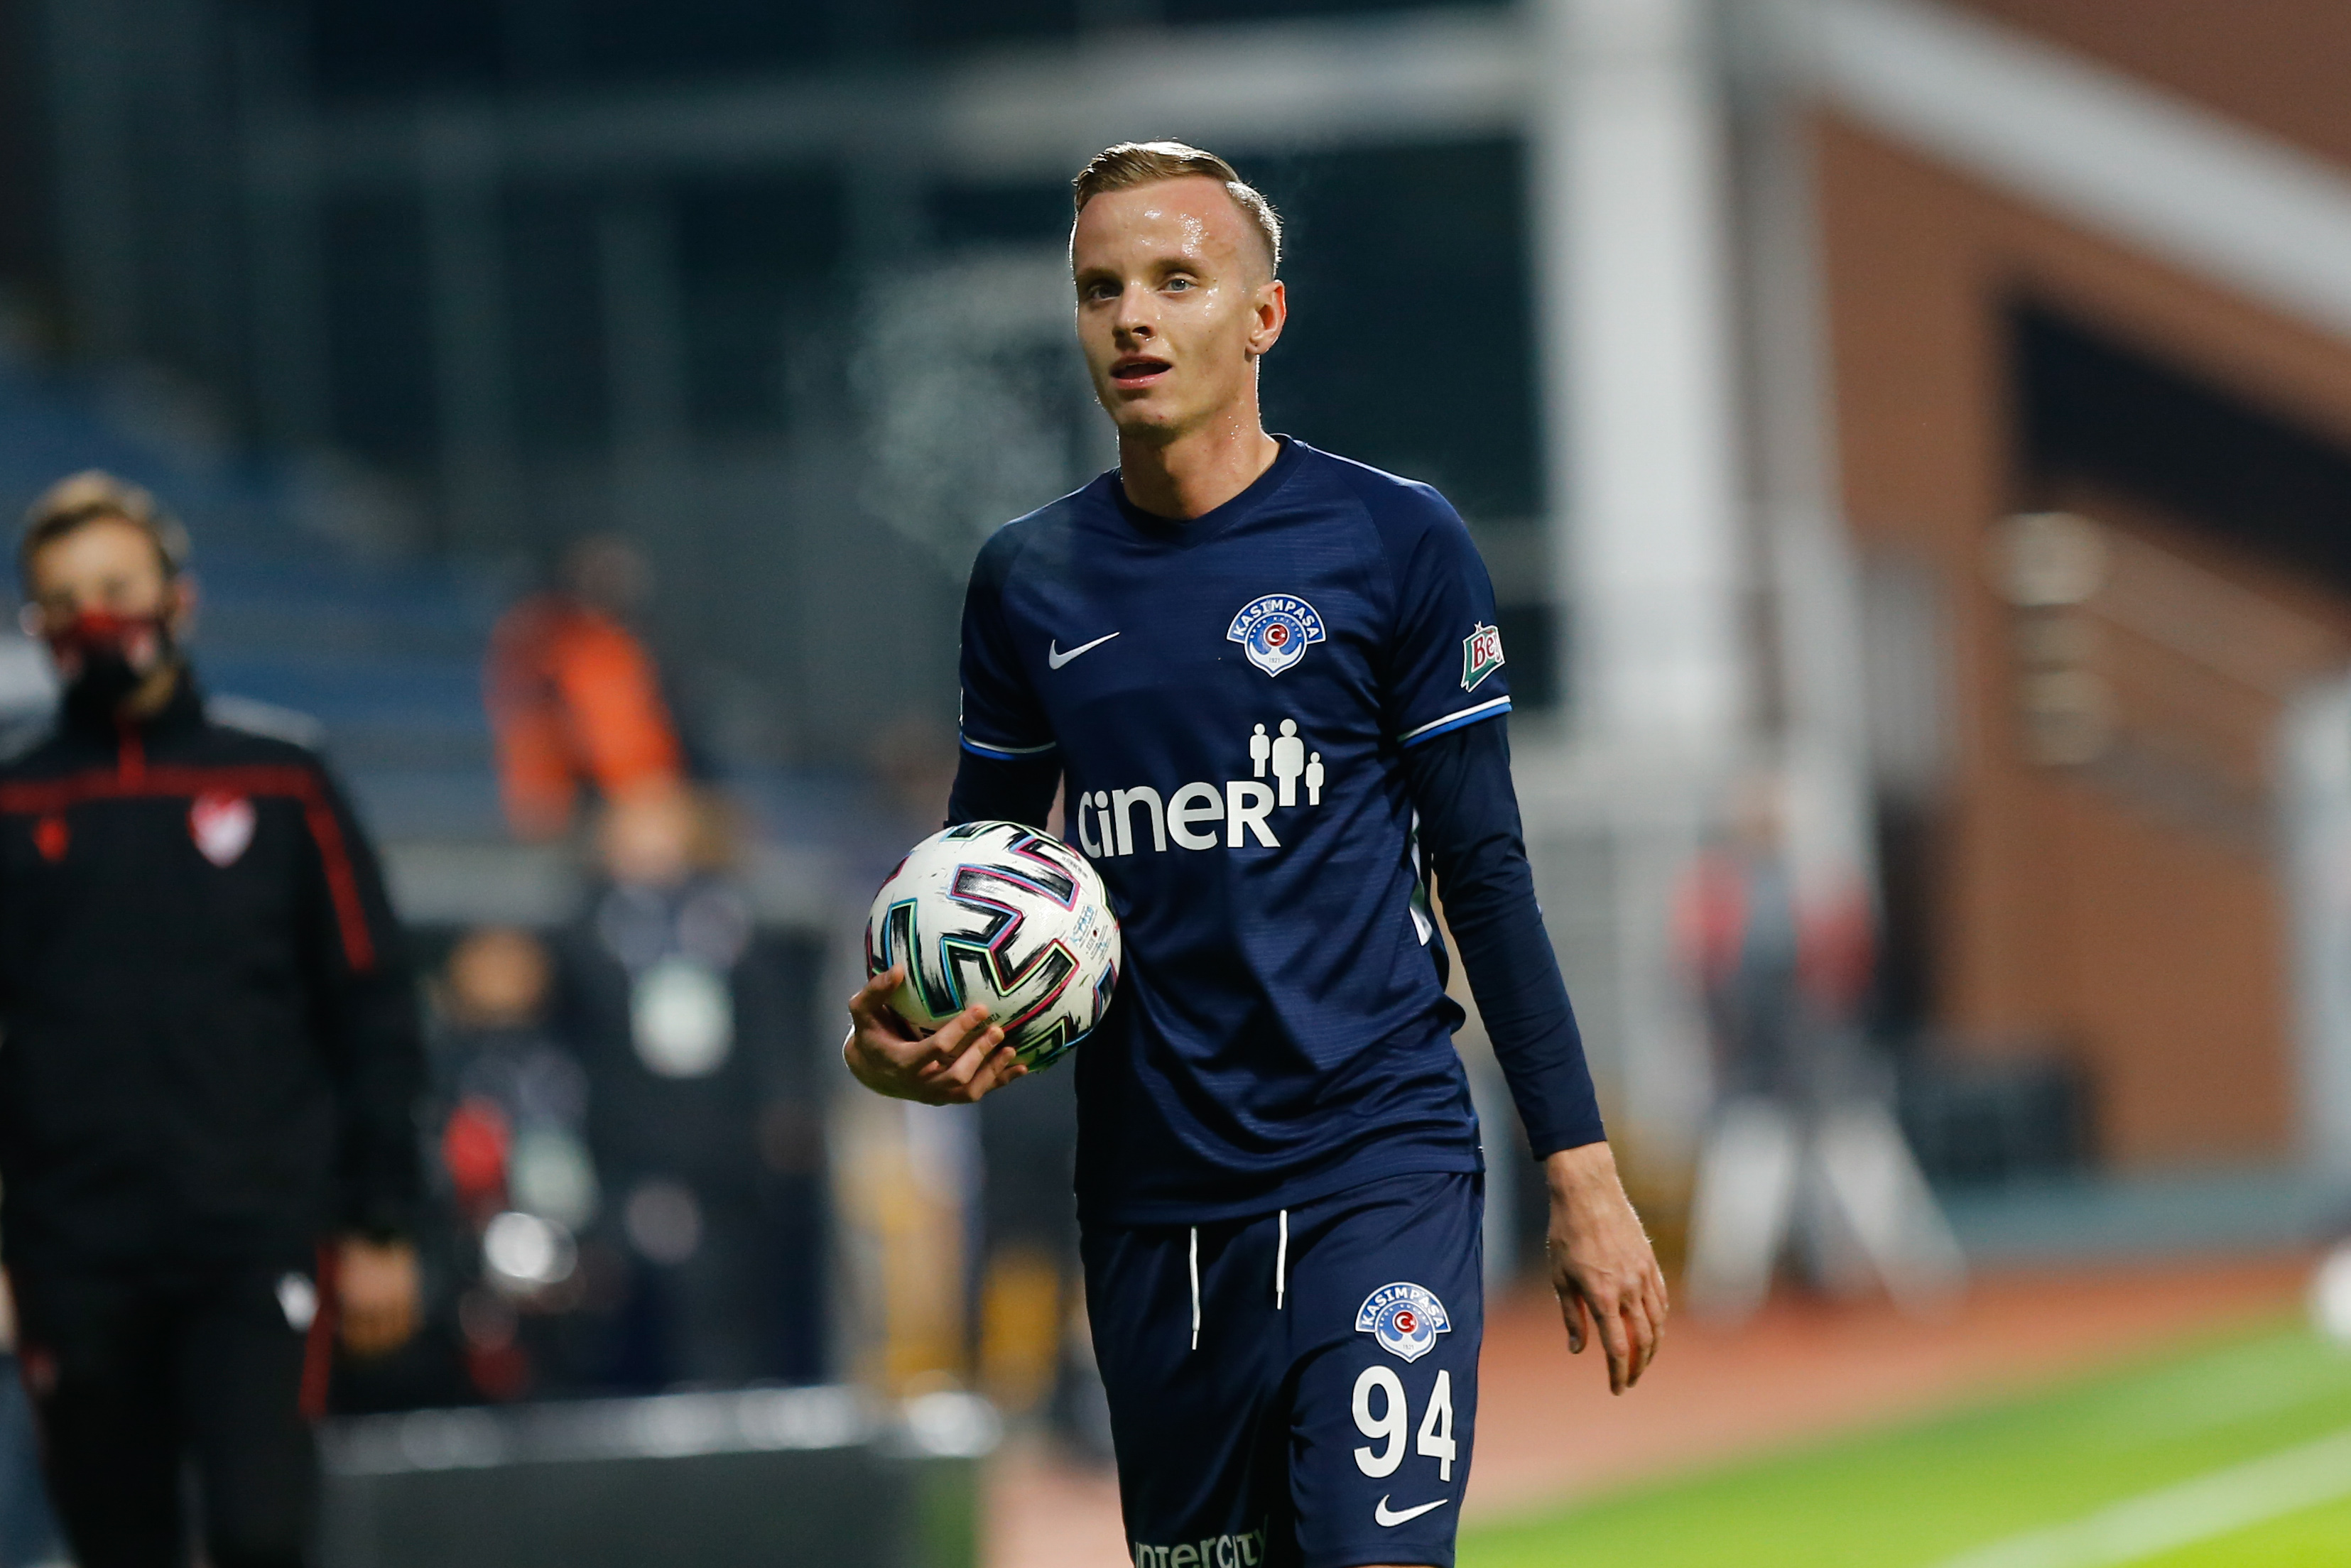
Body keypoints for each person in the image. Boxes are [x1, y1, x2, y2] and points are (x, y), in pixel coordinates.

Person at [845, 143, 1667, 1568]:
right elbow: (973, 886)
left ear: (1262, 315)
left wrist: (1581, 1173)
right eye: (1100, 289)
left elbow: (1485, 876)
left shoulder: (1392, 542)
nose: (1133, 318)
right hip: (1152, 1203)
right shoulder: (1028, 580)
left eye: (1176, 280)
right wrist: (899, 1043)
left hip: (1374, 1165)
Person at [0, 472, 424, 1568]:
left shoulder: (283, 780)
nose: (96, 618)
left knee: (260, 1535)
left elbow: (372, 1004)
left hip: (257, 1241)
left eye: (117, 588)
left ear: (178, 598)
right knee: (116, 1546)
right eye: (66, 599)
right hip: (72, 1260)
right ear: (37, 625)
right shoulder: (13, 800)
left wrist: (379, 1221)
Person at [484, 533, 688, 842]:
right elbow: (533, 726)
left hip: (633, 784)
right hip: (580, 789)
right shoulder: (551, 643)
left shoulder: (633, 645)